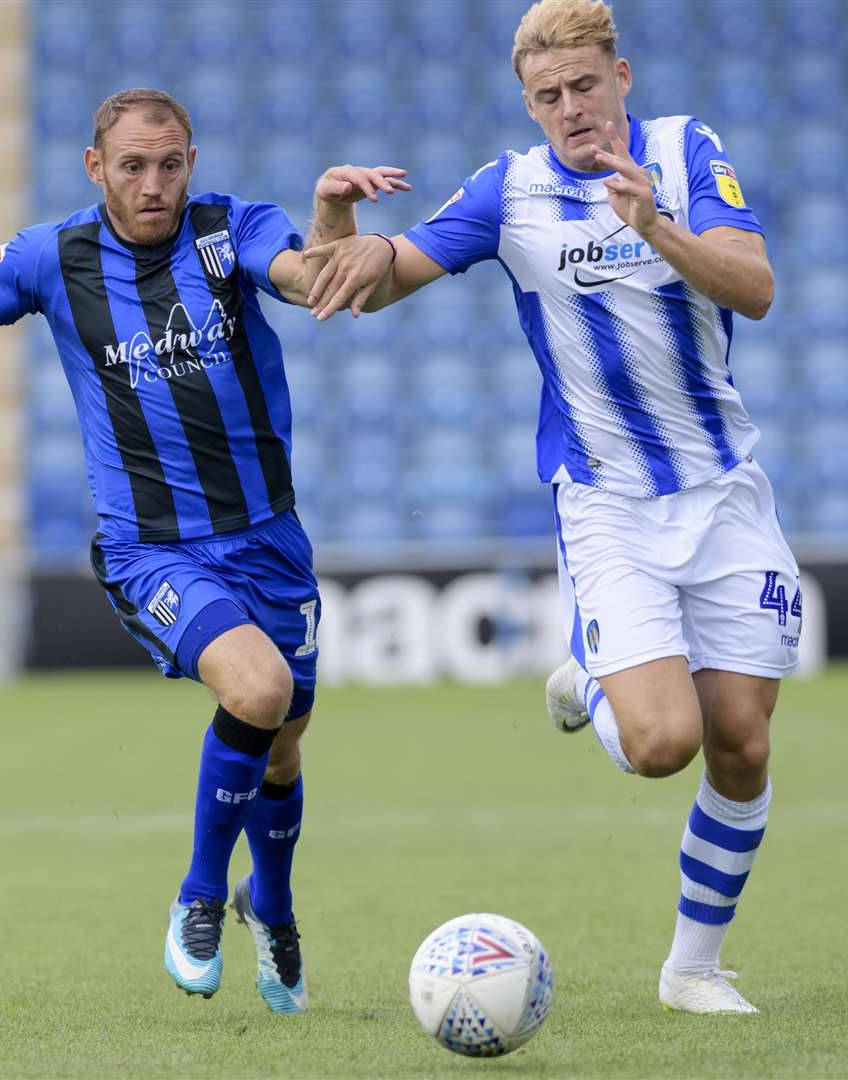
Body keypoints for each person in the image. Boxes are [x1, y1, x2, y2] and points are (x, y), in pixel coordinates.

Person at [0, 87, 409, 1015]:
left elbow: (311, 280)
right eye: (135, 166)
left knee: (283, 745)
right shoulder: (49, 257)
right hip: (151, 548)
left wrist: (333, 214)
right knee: (259, 691)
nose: (155, 184)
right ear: (95, 167)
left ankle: (268, 903)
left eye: (172, 163)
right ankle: (198, 893)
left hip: (269, 536)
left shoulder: (233, 229)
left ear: (192, 160)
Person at [302, 0, 800, 1015]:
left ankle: (692, 969)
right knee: (665, 745)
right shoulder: (510, 190)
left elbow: (754, 288)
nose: (570, 109)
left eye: (584, 85)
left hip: (723, 488)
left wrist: (653, 222)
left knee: (741, 741)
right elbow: (364, 280)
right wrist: (335, 221)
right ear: (528, 105)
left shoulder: (686, 150)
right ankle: (596, 683)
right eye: (547, 96)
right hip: (607, 501)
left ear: (622, 75)